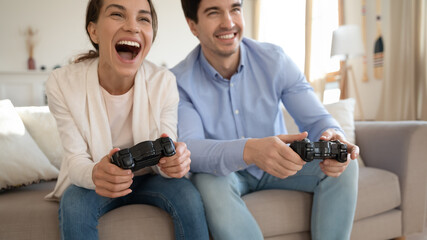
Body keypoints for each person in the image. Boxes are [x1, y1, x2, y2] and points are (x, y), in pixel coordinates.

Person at [171, 0, 360, 239]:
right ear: (193, 26)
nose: (229, 22)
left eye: (235, 9)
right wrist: (249, 150)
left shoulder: (274, 59)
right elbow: (191, 148)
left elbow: (316, 120)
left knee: (346, 163)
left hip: (281, 163)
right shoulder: (178, 81)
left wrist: (334, 135)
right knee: (207, 182)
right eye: (213, 12)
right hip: (224, 174)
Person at [44, 0, 209, 239]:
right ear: (94, 31)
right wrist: (95, 174)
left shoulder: (164, 82)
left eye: (143, 19)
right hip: (96, 180)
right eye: (117, 14)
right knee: (74, 203)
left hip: (150, 178)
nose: (133, 27)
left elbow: (168, 146)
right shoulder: (62, 83)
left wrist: (175, 162)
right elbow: (76, 158)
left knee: (188, 195)